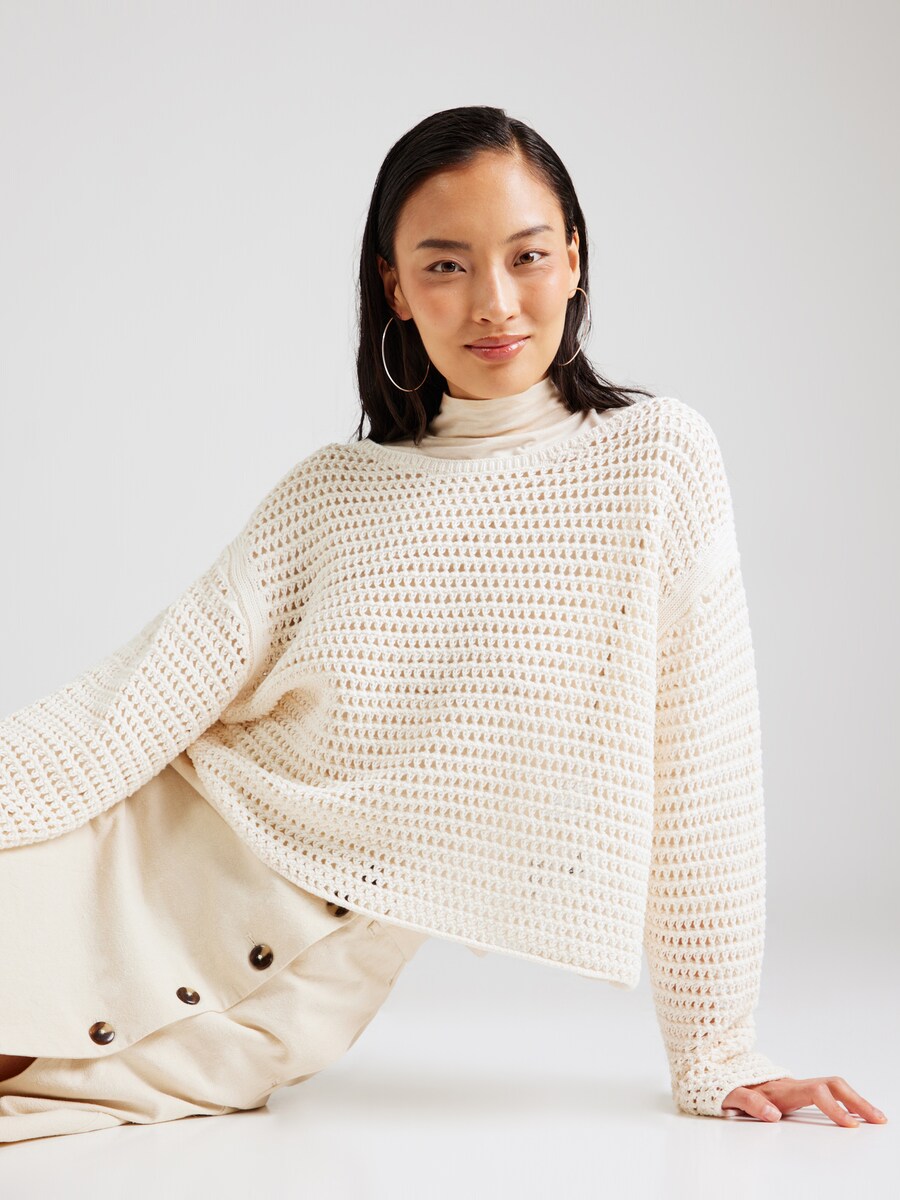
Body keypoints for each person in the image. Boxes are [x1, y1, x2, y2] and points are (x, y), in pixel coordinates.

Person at [0, 105, 887, 1144]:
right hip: (126, 848)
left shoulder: (656, 463)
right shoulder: (331, 491)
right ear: (396, 287)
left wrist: (719, 1050)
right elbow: (134, 701)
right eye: (447, 266)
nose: (494, 302)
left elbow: (704, 775)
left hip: (275, 962)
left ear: (574, 261)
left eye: (527, 256)